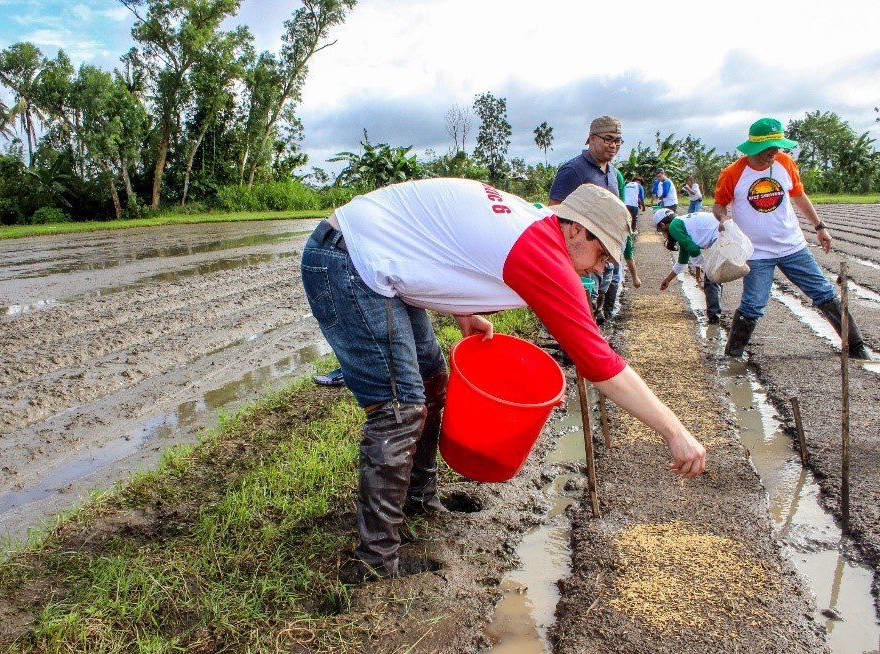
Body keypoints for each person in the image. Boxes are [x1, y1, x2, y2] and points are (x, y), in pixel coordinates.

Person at [301, 178, 707, 582]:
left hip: (369, 251)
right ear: (577, 229)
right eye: (601, 254)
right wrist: (673, 431)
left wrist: (462, 307)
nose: (600, 268)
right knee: (400, 408)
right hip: (347, 260)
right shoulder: (542, 251)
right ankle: (374, 563)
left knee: (430, 382)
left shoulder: (533, 222)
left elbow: (450, 243)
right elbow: (599, 363)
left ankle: (418, 500)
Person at [712, 117, 869, 359]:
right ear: (754, 148)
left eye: (778, 147)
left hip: (792, 247)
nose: (775, 152)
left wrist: (820, 227)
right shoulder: (733, 173)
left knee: (824, 293)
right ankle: (733, 356)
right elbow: (719, 206)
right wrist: (724, 222)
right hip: (757, 253)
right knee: (753, 305)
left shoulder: (785, 163)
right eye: (770, 148)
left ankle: (856, 347)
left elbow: (799, 196)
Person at [549, 115, 639, 323]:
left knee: (599, 303)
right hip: (583, 255)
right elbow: (555, 214)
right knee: (579, 309)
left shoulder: (615, 174)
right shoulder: (573, 170)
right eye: (608, 139)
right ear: (590, 139)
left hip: (605, 255)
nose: (613, 145)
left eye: (618, 140)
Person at [653, 208, 723, 323]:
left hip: (720, 234)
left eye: (659, 229)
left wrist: (698, 269)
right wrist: (668, 280)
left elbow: (693, 249)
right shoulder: (680, 224)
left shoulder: (673, 227)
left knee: (710, 279)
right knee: (715, 276)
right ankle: (714, 312)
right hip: (721, 232)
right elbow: (683, 260)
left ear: (663, 225)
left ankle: (714, 319)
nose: (662, 233)